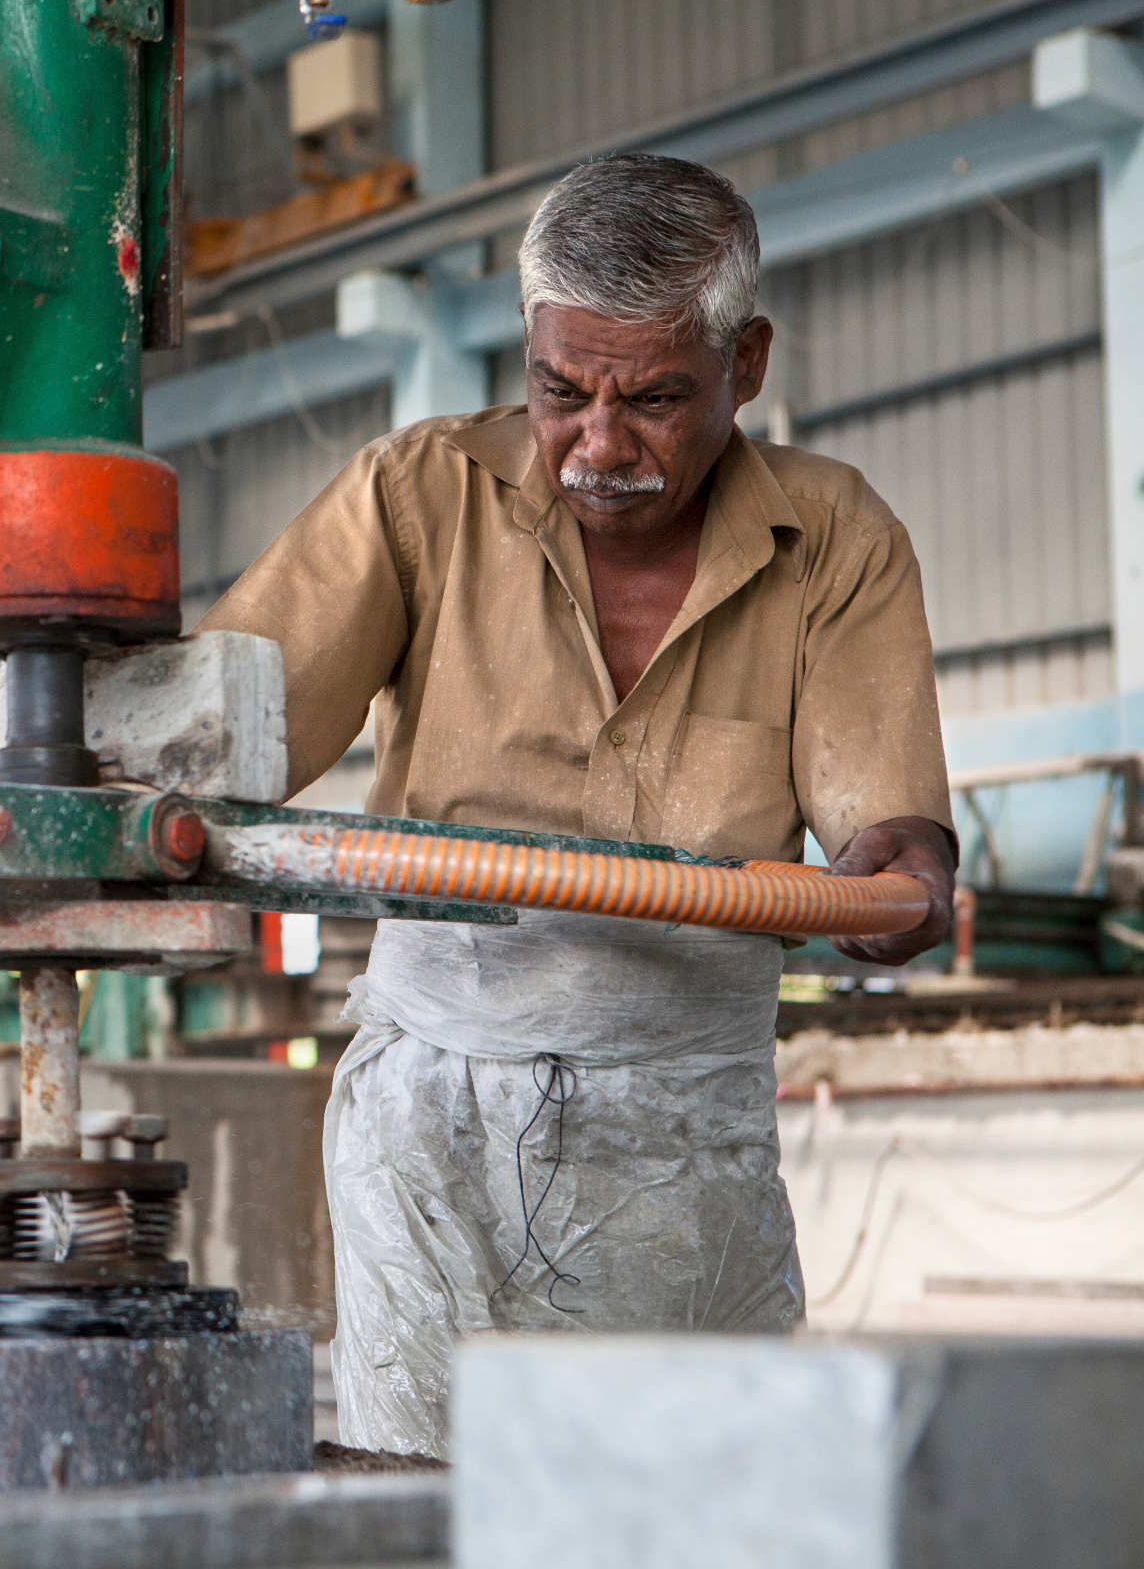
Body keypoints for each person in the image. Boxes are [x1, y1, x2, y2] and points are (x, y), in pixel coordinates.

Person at [197, 154, 956, 1457]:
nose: (599, 447)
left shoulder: (834, 540)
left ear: (748, 364)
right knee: (418, 1501)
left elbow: (887, 838)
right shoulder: (417, 498)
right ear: (529, 352)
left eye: (655, 400)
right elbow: (215, 744)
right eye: (562, 392)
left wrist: (898, 882)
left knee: (681, 1503)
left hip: (678, 1133)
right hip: (425, 1115)